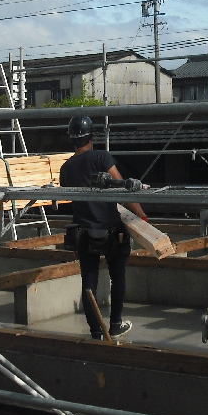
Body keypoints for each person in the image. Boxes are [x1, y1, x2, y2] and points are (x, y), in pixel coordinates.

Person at [60, 116, 146, 339]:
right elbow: (123, 189)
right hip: (111, 229)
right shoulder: (101, 157)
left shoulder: (66, 168)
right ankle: (115, 325)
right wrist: (142, 217)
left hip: (84, 231)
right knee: (117, 277)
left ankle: (96, 332)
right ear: (92, 137)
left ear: (72, 139)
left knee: (89, 283)